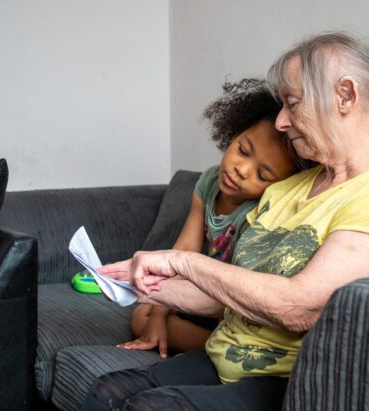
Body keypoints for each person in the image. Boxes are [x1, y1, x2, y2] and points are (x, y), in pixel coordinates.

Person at [83, 31, 369, 411]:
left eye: (293, 103)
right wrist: (138, 285)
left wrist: (182, 261)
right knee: (109, 392)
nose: (281, 121)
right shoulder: (287, 189)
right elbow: (226, 298)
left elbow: (300, 309)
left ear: (345, 96)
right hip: (222, 358)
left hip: (291, 379)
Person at [122, 78, 306, 359]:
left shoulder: (260, 212)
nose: (241, 170)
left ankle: (219, 347)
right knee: (142, 316)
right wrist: (159, 315)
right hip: (195, 290)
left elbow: (243, 289)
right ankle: (195, 339)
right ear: (233, 132)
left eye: (263, 175)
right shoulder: (208, 183)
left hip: (230, 304)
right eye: (243, 150)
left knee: (152, 318)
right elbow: (182, 253)